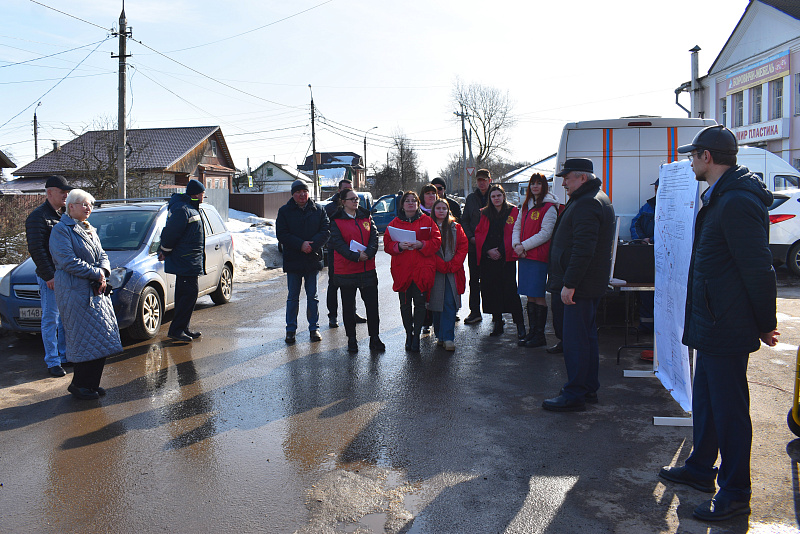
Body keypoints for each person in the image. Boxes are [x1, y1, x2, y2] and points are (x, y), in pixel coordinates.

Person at [658, 125, 778, 522]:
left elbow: (759, 268)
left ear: (707, 158)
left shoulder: (737, 202)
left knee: (729, 412)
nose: (691, 161)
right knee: (708, 402)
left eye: (694, 156)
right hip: (712, 320)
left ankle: (735, 494)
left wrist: (765, 322)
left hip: (726, 325)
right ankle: (699, 468)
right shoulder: (722, 196)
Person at [542, 158, 615, 412]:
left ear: (582, 178)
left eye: (568, 177)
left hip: (580, 287)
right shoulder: (591, 197)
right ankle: (587, 388)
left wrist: (570, 283)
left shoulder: (587, 202)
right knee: (586, 338)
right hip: (586, 285)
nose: (563, 183)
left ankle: (574, 394)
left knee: (575, 341)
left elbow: (583, 249)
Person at [49, 189, 123, 400]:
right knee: (82, 340)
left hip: (94, 291)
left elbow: (102, 255)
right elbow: (67, 261)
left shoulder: (90, 229)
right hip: (75, 292)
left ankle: (91, 384)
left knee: (100, 338)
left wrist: (104, 271)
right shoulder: (61, 230)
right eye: (83, 204)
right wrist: (98, 273)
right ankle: (80, 385)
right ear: (70, 207)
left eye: (90, 204)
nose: (88, 208)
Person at [25, 175, 72, 377]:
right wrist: (49, 276)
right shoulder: (38, 217)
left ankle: (63, 356)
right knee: (50, 319)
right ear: (50, 192)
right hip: (50, 278)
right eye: (62, 192)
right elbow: (37, 250)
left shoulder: (61, 215)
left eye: (67, 192)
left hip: (64, 275)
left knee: (63, 320)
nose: (66, 195)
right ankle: (52, 361)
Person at [384, 191, 441, 352]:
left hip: (422, 270)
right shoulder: (394, 223)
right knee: (405, 305)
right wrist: (398, 246)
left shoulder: (428, 221)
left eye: (413, 201)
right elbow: (387, 244)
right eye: (407, 201)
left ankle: (416, 336)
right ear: (402, 204)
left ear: (418, 204)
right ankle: (408, 334)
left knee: (420, 304)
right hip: (402, 271)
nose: (410, 203)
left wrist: (421, 244)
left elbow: (436, 242)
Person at [328, 189, 384, 353]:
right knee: (348, 307)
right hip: (347, 270)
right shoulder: (336, 220)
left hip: (367, 268)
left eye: (357, 199)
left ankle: (375, 338)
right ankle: (351, 339)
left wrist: (369, 252)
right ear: (343, 202)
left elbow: (374, 237)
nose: (355, 201)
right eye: (351, 199)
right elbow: (338, 244)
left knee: (372, 307)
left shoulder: (366, 216)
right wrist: (354, 256)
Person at [276, 179, 330, 344]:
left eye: (304, 191)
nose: (302, 195)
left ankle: (314, 329)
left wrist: (311, 246)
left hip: (312, 259)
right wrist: (301, 245)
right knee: (293, 297)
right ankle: (290, 330)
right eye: (298, 192)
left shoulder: (318, 210)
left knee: (312, 297)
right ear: (293, 194)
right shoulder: (285, 211)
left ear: (308, 193)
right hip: (293, 260)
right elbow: (282, 234)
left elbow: (326, 230)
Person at [512, 173, 559, 348]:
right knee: (529, 295)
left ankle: (540, 335)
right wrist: (517, 245)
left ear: (544, 186)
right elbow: (517, 226)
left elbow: (546, 234)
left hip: (538, 257)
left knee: (538, 295)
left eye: (539, 183)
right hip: (524, 256)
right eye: (533, 183)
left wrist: (523, 246)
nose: (535, 187)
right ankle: (532, 332)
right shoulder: (526, 205)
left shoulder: (549, 207)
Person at [474, 184, 526, 340]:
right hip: (489, 259)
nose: (496, 199)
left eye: (499, 195)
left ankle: (520, 325)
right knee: (492, 291)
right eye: (493, 196)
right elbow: (480, 234)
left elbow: (514, 233)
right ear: (490, 198)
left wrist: (501, 251)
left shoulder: (513, 211)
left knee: (510, 291)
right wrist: (488, 251)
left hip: (506, 259)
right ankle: (497, 322)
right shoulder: (484, 213)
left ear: (504, 196)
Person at [158, 179, 207, 343]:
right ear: (195, 194)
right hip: (185, 262)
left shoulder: (190, 207)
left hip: (190, 261)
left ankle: (183, 328)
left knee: (187, 296)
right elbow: (171, 233)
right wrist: (164, 250)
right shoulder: (182, 209)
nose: (203, 196)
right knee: (187, 296)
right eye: (202, 193)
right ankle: (177, 330)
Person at [324, 179, 366, 328]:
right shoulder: (330, 209)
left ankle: (351, 313)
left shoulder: (358, 207)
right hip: (336, 251)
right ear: (339, 192)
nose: (348, 190)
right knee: (334, 284)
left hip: (354, 251)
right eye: (345, 189)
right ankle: (333, 316)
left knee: (352, 284)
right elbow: (327, 230)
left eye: (350, 188)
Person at [429, 199, 468, 351]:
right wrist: (441, 264)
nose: (441, 211)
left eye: (444, 208)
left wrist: (453, 264)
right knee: (437, 305)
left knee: (450, 304)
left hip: (452, 272)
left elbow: (463, 247)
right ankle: (440, 335)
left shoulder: (456, 228)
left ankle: (449, 338)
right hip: (435, 273)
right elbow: (428, 249)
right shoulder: (428, 227)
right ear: (433, 210)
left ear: (448, 211)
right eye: (438, 208)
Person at [461, 169, 492, 324]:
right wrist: (470, 237)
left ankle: (496, 313)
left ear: (489, 180)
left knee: (493, 280)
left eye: (484, 180)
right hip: (474, 247)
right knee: (474, 280)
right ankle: (475, 312)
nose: (481, 182)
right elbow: (464, 220)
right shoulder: (471, 198)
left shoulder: (496, 195)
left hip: (493, 247)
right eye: (479, 180)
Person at [630, 178, 658, 334]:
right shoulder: (648, 206)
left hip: (665, 256)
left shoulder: (674, 205)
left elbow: (673, 231)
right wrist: (641, 240)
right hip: (646, 255)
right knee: (646, 292)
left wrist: (652, 240)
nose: (656, 191)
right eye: (655, 188)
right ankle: (646, 327)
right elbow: (635, 223)